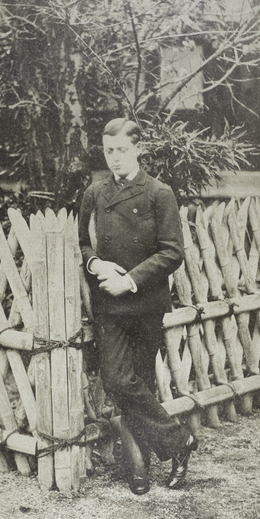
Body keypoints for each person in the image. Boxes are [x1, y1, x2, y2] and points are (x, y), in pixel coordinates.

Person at [78, 118, 197, 495]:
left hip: (144, 302)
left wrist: (129, 279)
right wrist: (96, 264)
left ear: (139, 149)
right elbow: (83, 243)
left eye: (122, 150)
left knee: (141, 383)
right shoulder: (94, 193)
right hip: (109, 305)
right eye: (108, 151)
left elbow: (172, 251)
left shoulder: (159, 193)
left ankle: (139, 466)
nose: (114, 158)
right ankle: (179, 443)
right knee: (116, 379)